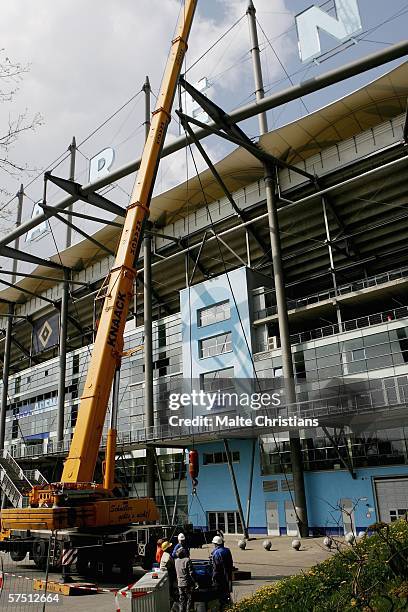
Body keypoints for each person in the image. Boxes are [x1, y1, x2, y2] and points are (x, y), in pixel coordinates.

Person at [210, 535, 233, 609]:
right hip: (228, 575)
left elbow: (216, 568)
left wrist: (213, 577)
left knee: (220, 594)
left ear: (216, 544)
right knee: (227, 593)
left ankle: (221, 607)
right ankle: (228, 606)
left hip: (220, 577)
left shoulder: (216, 553)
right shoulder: (227, 550)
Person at [175, 547, 198, 612]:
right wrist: (195, 582)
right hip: (187, 583)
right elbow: (191, 573)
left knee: (182, 599)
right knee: (189, 598)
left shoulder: (176, 561)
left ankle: (181, 610)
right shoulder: (187, 560)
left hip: (179, 583)